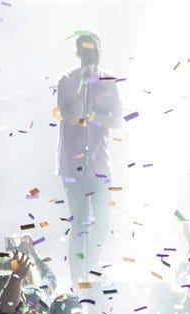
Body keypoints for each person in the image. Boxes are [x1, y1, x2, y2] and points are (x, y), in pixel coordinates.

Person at [57, 32, 123, 274]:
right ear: (78, 54)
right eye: (86, 52)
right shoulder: (67, 80)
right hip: (72, 166)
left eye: (94, 51)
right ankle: (78, 279)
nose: (91, 56)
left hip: (100, 165)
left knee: (102, 222)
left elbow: (118, 121)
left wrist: (95, 117)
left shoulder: (109, 81)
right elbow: (73, 116)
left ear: (100, 52)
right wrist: (83, 85)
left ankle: (91, 269)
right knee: (80, 224)